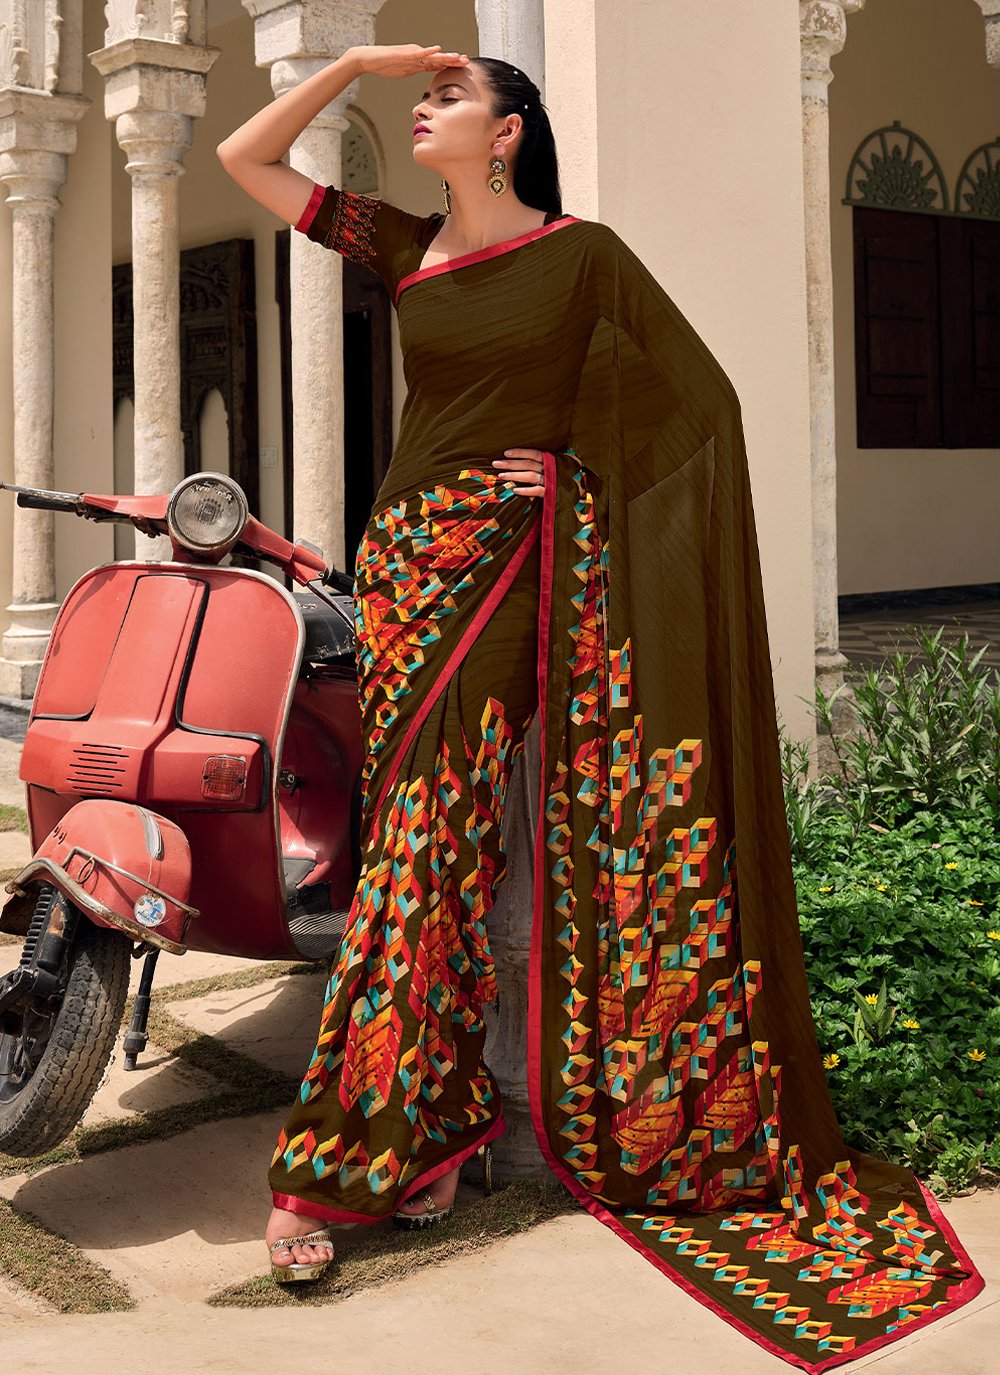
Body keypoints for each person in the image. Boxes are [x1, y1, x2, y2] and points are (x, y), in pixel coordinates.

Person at [217, 44, 983, 1370]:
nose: (424, 108)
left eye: (448, 97)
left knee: (419, 858)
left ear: (509, 130)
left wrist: (574, 473)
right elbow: (247, 158)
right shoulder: (405, 246)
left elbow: (696, 407)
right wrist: (350, 58)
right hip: (408, 566)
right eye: (423, 96)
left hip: (511, 571)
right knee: (427, 854)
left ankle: (335, 1163)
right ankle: (431, 1133)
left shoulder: (584, 260)